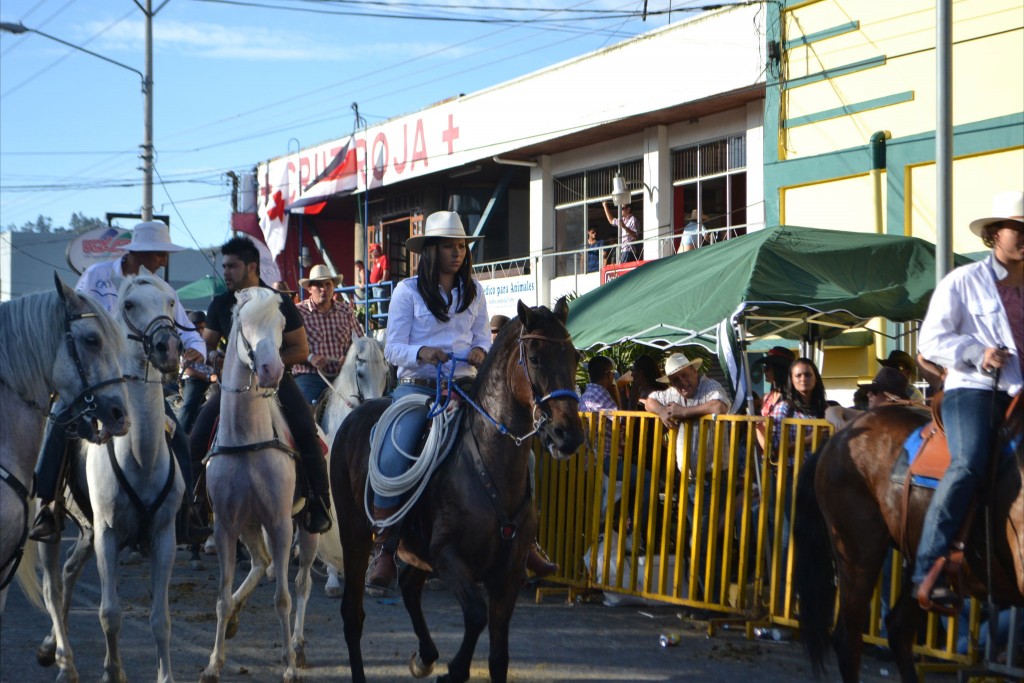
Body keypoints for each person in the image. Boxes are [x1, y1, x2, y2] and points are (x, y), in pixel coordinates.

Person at [30, 220, 210, 544]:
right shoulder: (98, 276)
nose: (164, 262)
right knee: (59, 417)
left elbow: (188, 331)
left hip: (142, 384)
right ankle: (47, 505)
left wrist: (196, 350)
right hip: (95, 378)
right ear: (140, 253)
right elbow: (74, 316)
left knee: (179, 436)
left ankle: (188, 513)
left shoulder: (159, 289)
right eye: (160, 254)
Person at [366, 211, 491, 589]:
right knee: (395, 454)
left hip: (467, 388)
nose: (458, 253)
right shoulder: (407, 291)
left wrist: (481, 352)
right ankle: (385, 548)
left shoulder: (476, 291)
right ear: (431, 251)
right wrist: (423, 353)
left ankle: (522, 540)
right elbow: (392, 348)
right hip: (418, 388)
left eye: (461, 246)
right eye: (450, 246)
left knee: (517, 450)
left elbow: (483, 337)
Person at [912, 190, 1022, 612]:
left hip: (1018, 391)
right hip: (973, 388)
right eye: (1018, 228)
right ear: (995, 234)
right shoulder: (963, 280)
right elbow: (932, 340)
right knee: (970, 461)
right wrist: (979, 353)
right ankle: (928, 569)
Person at [190, 236, 333, 534]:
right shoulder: (221, 303)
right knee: (198, 431)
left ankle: (319, 503)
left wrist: (268, 363)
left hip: (278, 383)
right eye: (224, 266)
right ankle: (191, 508)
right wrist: (210, 354)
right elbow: (209, 345)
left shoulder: (279, 302)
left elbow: (301, 350)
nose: (226, 272)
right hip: (233, 387)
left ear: (252, 267)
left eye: (233, 266)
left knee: (307, 429)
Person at [292, 264, 363, 405]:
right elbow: (289, 346)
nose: (324, 289)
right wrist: (310, 357)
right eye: (318, 285)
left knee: (364, 406)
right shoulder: (298, 312)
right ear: (309, 289)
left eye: (327, 284)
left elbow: (360, 343)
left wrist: (349, 358)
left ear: (333, 287)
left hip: (343, 375)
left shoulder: (346, 312)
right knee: (302, 410)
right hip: (310, 376)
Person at [824, 366, 923, 431]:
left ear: (890, 397)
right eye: (868, 391)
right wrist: (839, 423)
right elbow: (832, 410)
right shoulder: (871, 415)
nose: (868, 395)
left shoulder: (902, 423)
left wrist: (845, 425)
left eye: (874, 391)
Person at [769, 357, 828, 457]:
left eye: (808, 375)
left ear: (816, 379)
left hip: (820, 470)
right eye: (798, 376)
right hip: (790, 470)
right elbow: (775, 450)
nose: (803, 379)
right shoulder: (784, 409)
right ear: (792, 380)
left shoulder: (824, 408)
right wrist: (809, 440)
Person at [177, 310, 214, 434]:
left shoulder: (211, 340)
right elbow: (187, 369)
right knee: (189, 406)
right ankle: (180, 436)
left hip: (214, 378)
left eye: (203, 327)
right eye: (197, 328)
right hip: (194, 379)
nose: (201, 331)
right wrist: (209, 377)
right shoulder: (187, 343)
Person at [753, 346, 795, 451]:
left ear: (779, 369)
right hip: (766, 453)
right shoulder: (767, 397)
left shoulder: (793, 397)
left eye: (767, 367)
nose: (764, 371)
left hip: (785, 451)